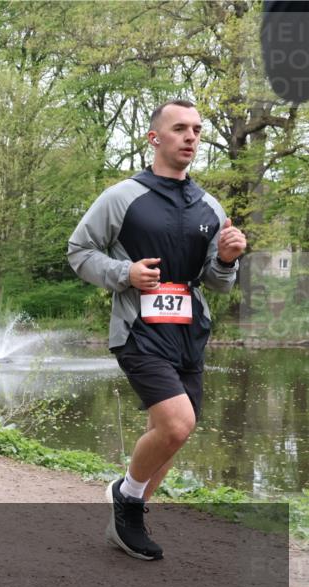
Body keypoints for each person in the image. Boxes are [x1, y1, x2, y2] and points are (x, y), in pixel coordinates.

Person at [68, 100, 246, 560]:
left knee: (172, 434)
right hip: (138, 329)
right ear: (154, 138)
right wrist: (124, 273)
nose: (191, 137)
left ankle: (128, 519)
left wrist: (228, 259)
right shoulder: (122, 197)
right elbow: (79, 251)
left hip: (189, 332)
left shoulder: (209, 205)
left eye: (197, 130)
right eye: (180, 128)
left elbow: (218, 281)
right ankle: (126, 495)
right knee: (177, 422)